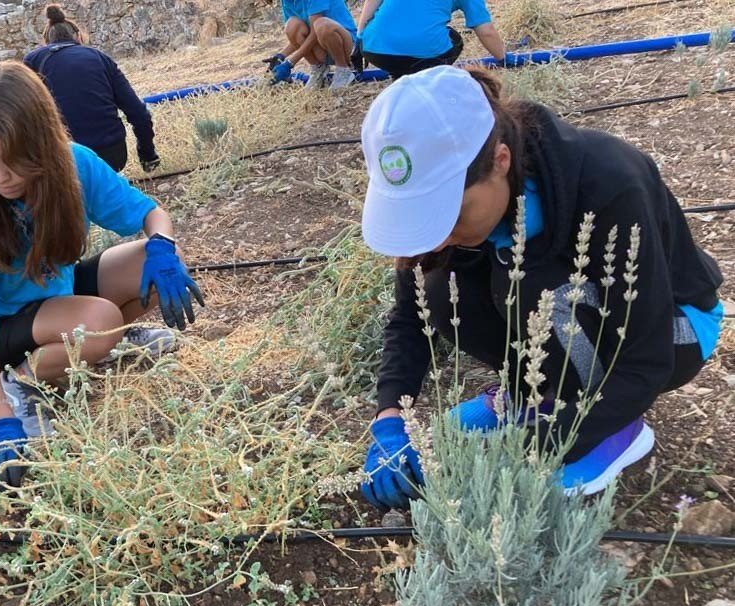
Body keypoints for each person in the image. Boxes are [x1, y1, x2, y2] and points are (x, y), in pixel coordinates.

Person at [358, 65, 724, 509]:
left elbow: (645, 360)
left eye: (450, 214)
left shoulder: (609, 180)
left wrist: (530, 445)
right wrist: (390, 418)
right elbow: (409, 315)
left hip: (673, 330)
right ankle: (531, 395)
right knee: (437, 287)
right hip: (575, 322)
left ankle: (612, 425)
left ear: (501, 162)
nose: (438, 234)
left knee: (539, 289)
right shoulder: (467, 212)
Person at [0, 61, 204, 486]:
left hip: (57, 296)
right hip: (4, 332)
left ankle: (100, 345)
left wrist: (163, 247)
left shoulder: (74, 164)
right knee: (100, 321)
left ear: (42, 141)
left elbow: (152, 214)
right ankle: (20, 385)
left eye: (13, 158)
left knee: (148, 263)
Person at [23, 4, 160, 173]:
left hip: (61, 156)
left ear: (47, 42)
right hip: (111, 154)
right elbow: (139, 113)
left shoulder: (33, 61)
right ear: (78, 37)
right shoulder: (100, 58)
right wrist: (148, 155)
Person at [352, 0, 507, 80]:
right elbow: (486, 31)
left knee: (402, 55)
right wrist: (504, 59)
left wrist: (359, 37)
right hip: (421, 54)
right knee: (454, 39)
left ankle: (401, 80)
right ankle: (429, 84)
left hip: (373, 48)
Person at [264, 0, 359, 90]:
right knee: (292, 25)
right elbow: (300, 36)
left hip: (345, 45)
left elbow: (315, 32)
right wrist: (281, 56)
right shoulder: (287, 1)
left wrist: (290, 63)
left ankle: (343, 70)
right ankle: (318, 70)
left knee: (322, 24)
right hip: (323, 46)